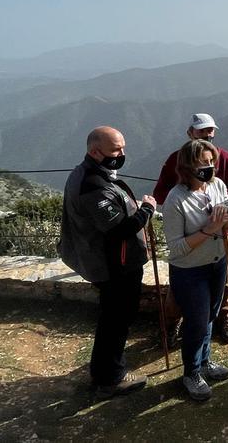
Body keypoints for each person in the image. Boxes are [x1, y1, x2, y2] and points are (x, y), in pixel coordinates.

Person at [59, 126, 157, 399]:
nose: (122, 154)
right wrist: (147, 208)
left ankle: (104, 370)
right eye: (116, 150)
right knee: (116, 321)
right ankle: (110, 378)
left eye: (123, 147)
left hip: (110, 262)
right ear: (94, 151)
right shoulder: (93, 185)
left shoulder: (89, 173)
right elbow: (119, 230)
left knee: (112, 320)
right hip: (113, 266)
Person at [154, 113, 228, 345]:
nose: (207, 134)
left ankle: (222, 320)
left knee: (221, 281)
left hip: (221, 231)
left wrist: (220, 205)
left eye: (210, 130)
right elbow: (160, 193)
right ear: (190, 133)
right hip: (187, 230)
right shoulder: (176, 160)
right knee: (181, 285)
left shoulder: (224, 158)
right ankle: (173, 324)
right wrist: (185, 201)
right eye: (202, 130)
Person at [161, 138, 228, 401]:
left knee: (209, 316)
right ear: (187, 166)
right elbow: (177, 248)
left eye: (211, 162)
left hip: (216, 264)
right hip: (189, 270)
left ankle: (204, 361)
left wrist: (227, 218)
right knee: (196, 320)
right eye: (202, 163)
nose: (208, 167)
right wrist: (209, 229)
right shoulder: (175, 200)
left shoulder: (217, 185)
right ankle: (191, 372)